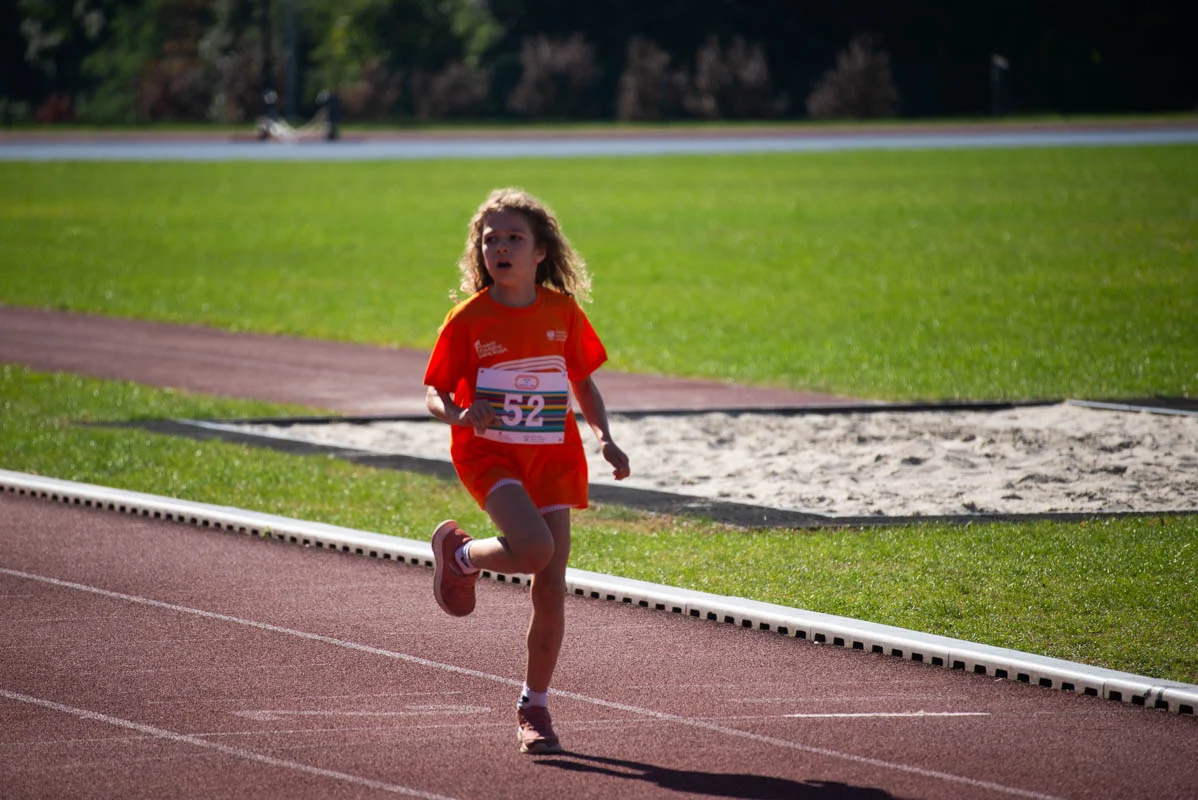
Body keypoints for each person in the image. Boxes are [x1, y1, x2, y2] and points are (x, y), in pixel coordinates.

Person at [423, 187, 631, 755]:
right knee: (535, 549)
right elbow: (433, 391)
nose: (502, 248)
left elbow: (583, 382)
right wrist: (461, 414)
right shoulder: (468, 319)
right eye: (491, 239)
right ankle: (461, 557)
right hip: (490, 453)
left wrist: (605, 438)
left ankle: (533, 705)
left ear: (540, 251)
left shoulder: (562, 312)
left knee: (551, 588)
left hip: (551, 455)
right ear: (481, 252)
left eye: (515, 238)